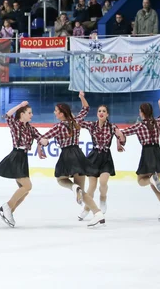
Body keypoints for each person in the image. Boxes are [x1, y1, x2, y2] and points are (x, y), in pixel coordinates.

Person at [37, 92, 106, 227]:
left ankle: (73, 187)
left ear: (62, 113)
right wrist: (81, 97)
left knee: (61, 179)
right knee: (82, 190)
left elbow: (44, 139)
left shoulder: (58, 127)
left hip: (67, 155)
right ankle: (98, 213)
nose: (55, 113)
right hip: (78, 154)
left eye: (56, 111)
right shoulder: (76, 121)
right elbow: (86, 108)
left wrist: (41, 146)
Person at [115, 99, 160, 221]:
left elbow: (121, 133)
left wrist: (118, 142)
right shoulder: (156, 122)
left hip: (147, 153)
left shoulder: (139, 126)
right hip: (158, 152)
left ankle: (153, 182)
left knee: (141, 180)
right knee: (156, 185)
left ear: (142, 113)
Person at [0, 101, 43, 228]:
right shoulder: (15, 124)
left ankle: (9, 212)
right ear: (22, 114)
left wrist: (47, 141)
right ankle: (7, 206)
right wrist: (20, 106)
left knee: (25, 191)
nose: (32, 115)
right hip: (16, 156)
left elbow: (41, 138)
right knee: (27, 186)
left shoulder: (30, 128)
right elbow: (8, 115)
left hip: (24, 158)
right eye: (29, 113)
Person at [78, 105, 125, 221]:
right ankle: (86, 209)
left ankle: (103, 198)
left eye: (104, 111)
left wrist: (121, 140)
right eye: (99, 111)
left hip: (106, 157)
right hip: (94, 157)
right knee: (91, 187)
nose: (101, 113)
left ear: (107, 114)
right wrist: (83, 102)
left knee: (103, 182)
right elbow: (78, 121)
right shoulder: (92, 125)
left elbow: (122, 138)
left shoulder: (112, 127)